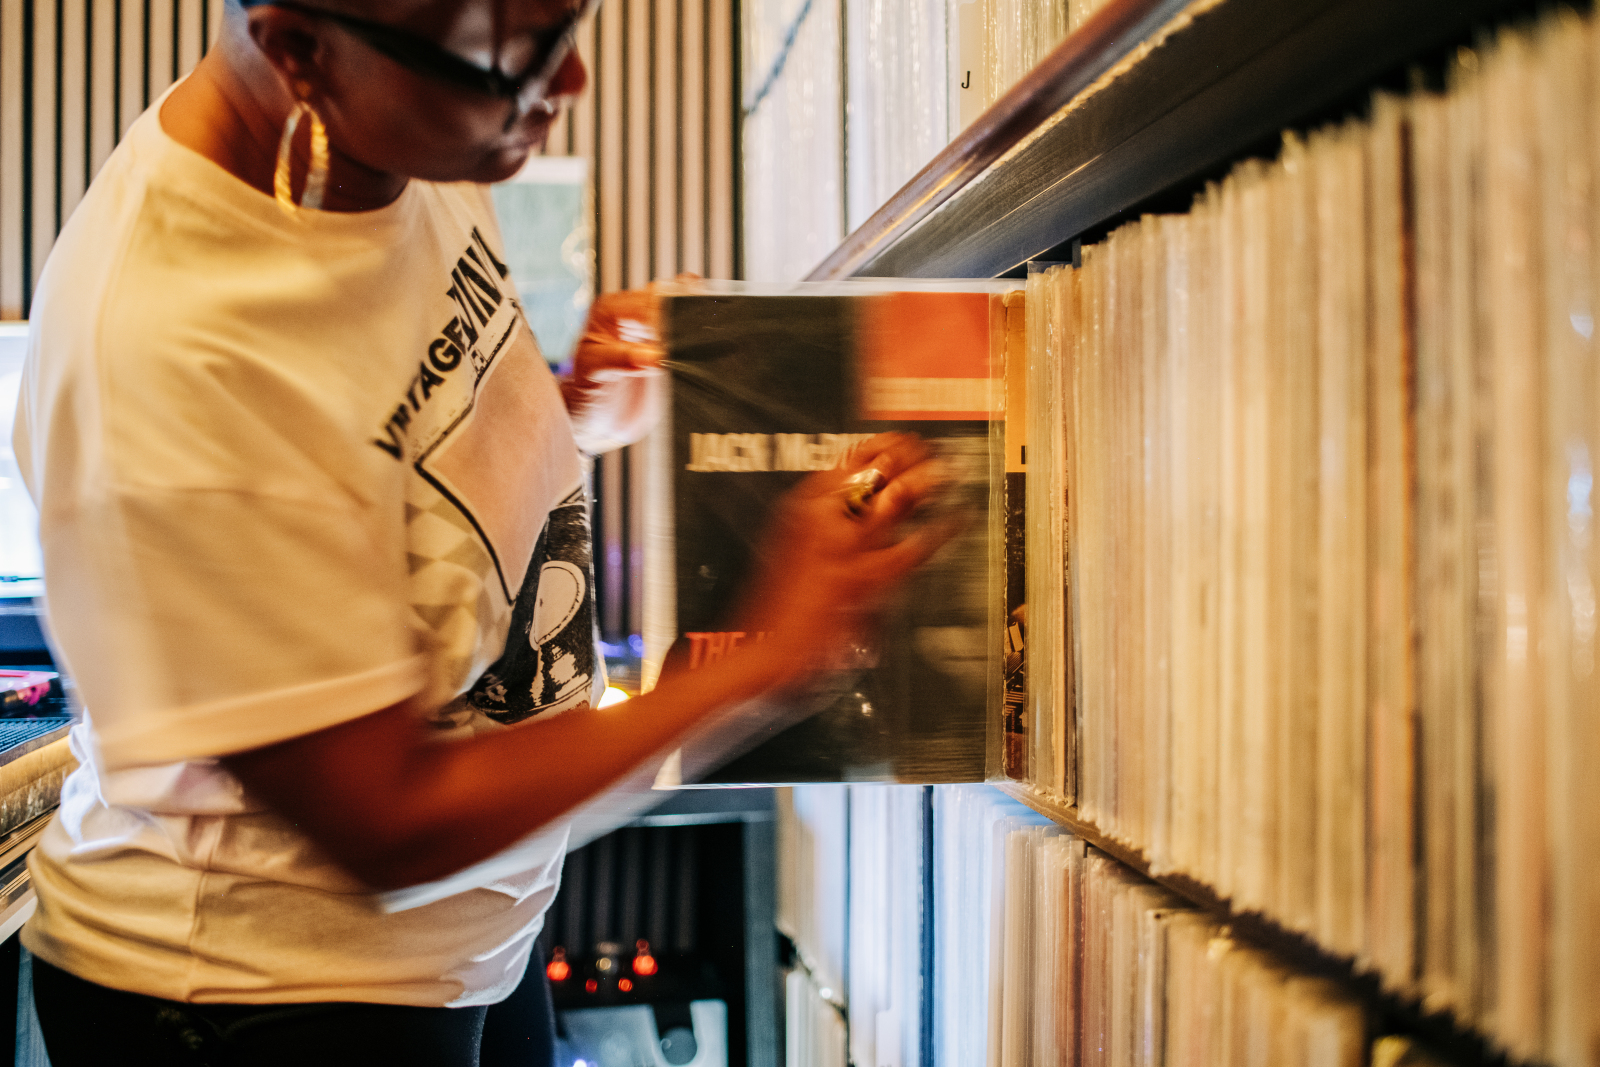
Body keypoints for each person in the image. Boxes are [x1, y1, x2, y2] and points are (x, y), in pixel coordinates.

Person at [11, 1, 946, 1063]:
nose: (575, 79)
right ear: (300, 49)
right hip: (262, 992)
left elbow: (379, 460)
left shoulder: (397, 137)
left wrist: (570, 413)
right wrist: (763, 658)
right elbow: (387, 818)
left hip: (463, 934)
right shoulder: (176, 346)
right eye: (516, 63)